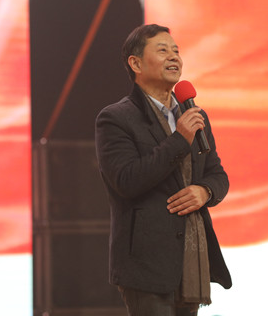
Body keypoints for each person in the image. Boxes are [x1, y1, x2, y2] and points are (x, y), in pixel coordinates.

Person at [95, 24, 232, 315]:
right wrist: (179, 139)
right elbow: (126, 181)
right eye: (162, 50)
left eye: (176, 51)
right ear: (136, 64)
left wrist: (205, 191)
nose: (174, 57)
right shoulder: (116, 118)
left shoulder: (193, 114)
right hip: (146, 262)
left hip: (191, 259)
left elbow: (217, 174)